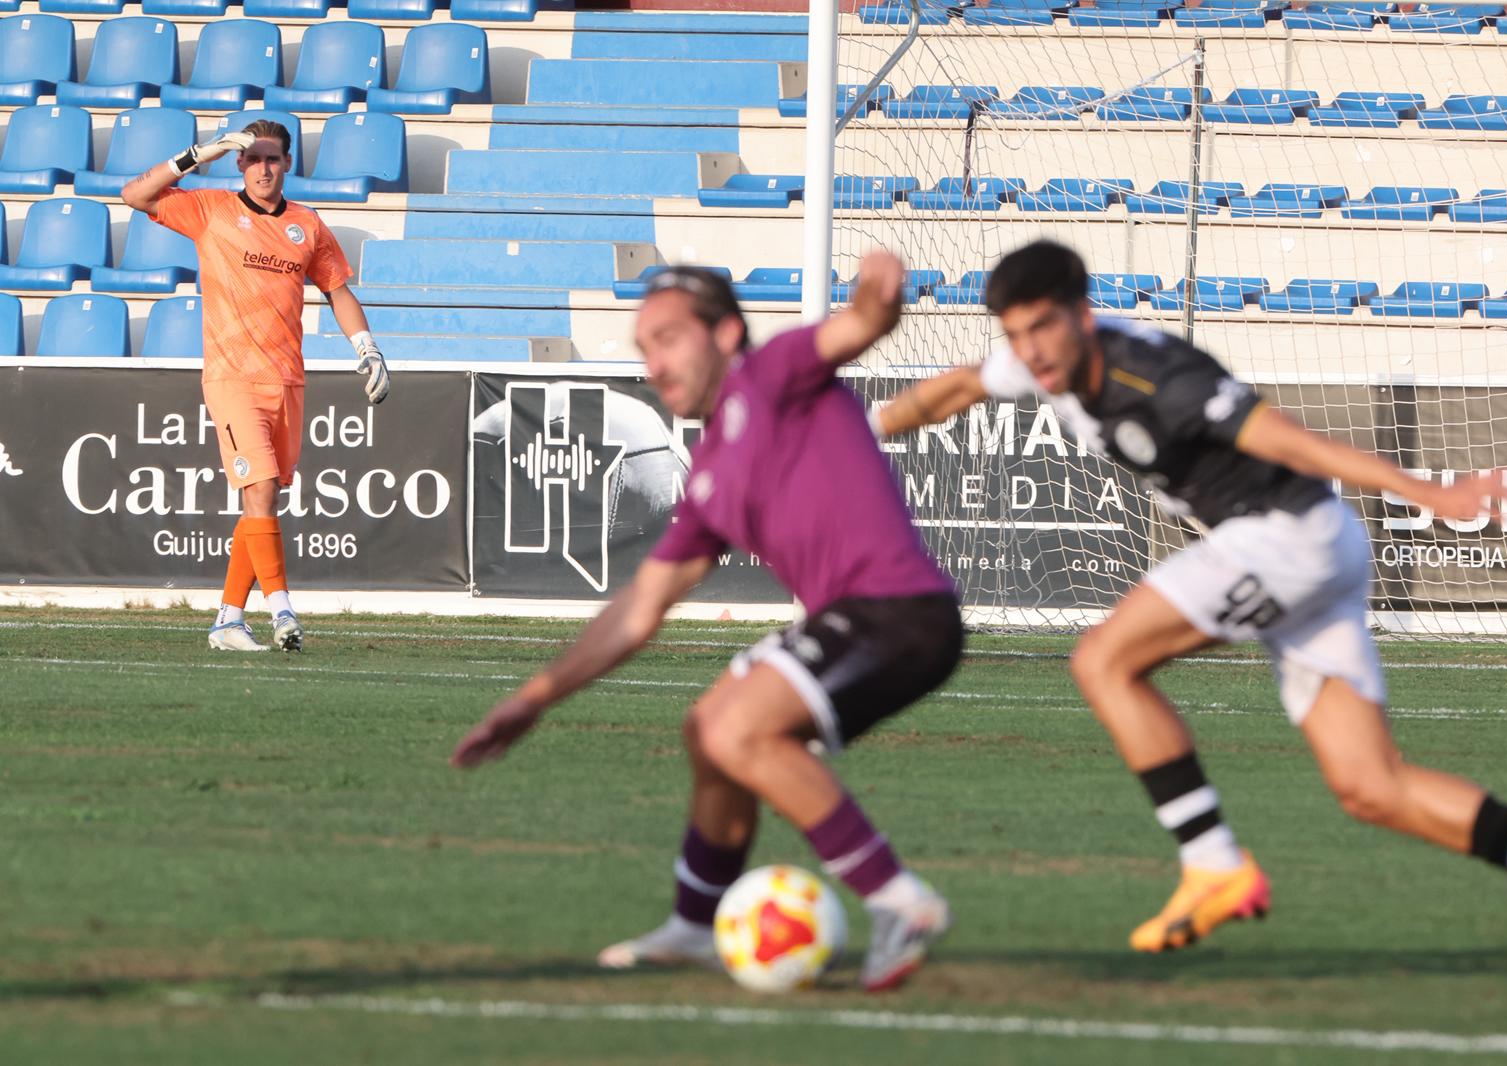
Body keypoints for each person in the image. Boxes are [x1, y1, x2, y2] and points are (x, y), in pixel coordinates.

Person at [872, 239, 1507, 972]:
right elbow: (955, 389)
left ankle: (1213, 863)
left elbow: (1292, 442)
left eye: (1040, 327)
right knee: (1372, 788)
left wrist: (1430, 493)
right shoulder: (1043, 361)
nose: (1029, 351)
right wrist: (863, 432)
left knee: (1104, 660)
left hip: (1286, 539)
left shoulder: (1159, 377)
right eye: (1014, 335)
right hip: (1312, 549)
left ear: (1082, 315)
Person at [451, 253, 966, 990]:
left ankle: (899, 901)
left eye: (667, 338)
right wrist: (536, 696)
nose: (652, 362)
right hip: (859, 619)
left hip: (899, 611)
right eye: (643, 348)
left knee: (738, 729)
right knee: (709, 731)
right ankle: (696, 925)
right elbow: (639, 608)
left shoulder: (776, 370)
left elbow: (862, 323)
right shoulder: (709, 473)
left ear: (726, 334)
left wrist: (879, 292)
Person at [122, 120, 391, 653]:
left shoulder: (308, 226)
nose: (264, 168)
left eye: (273, 158)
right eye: (253, 158)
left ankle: (227, 619)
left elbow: (337, 289)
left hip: (288, 378)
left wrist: (367, 347)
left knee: (262, 504)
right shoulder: (211, 210)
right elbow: (134, 195)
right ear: (239, 165)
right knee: (261, 489)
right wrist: (201, 152)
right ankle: (283, 610)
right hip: (231, 376)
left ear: (288, 164)